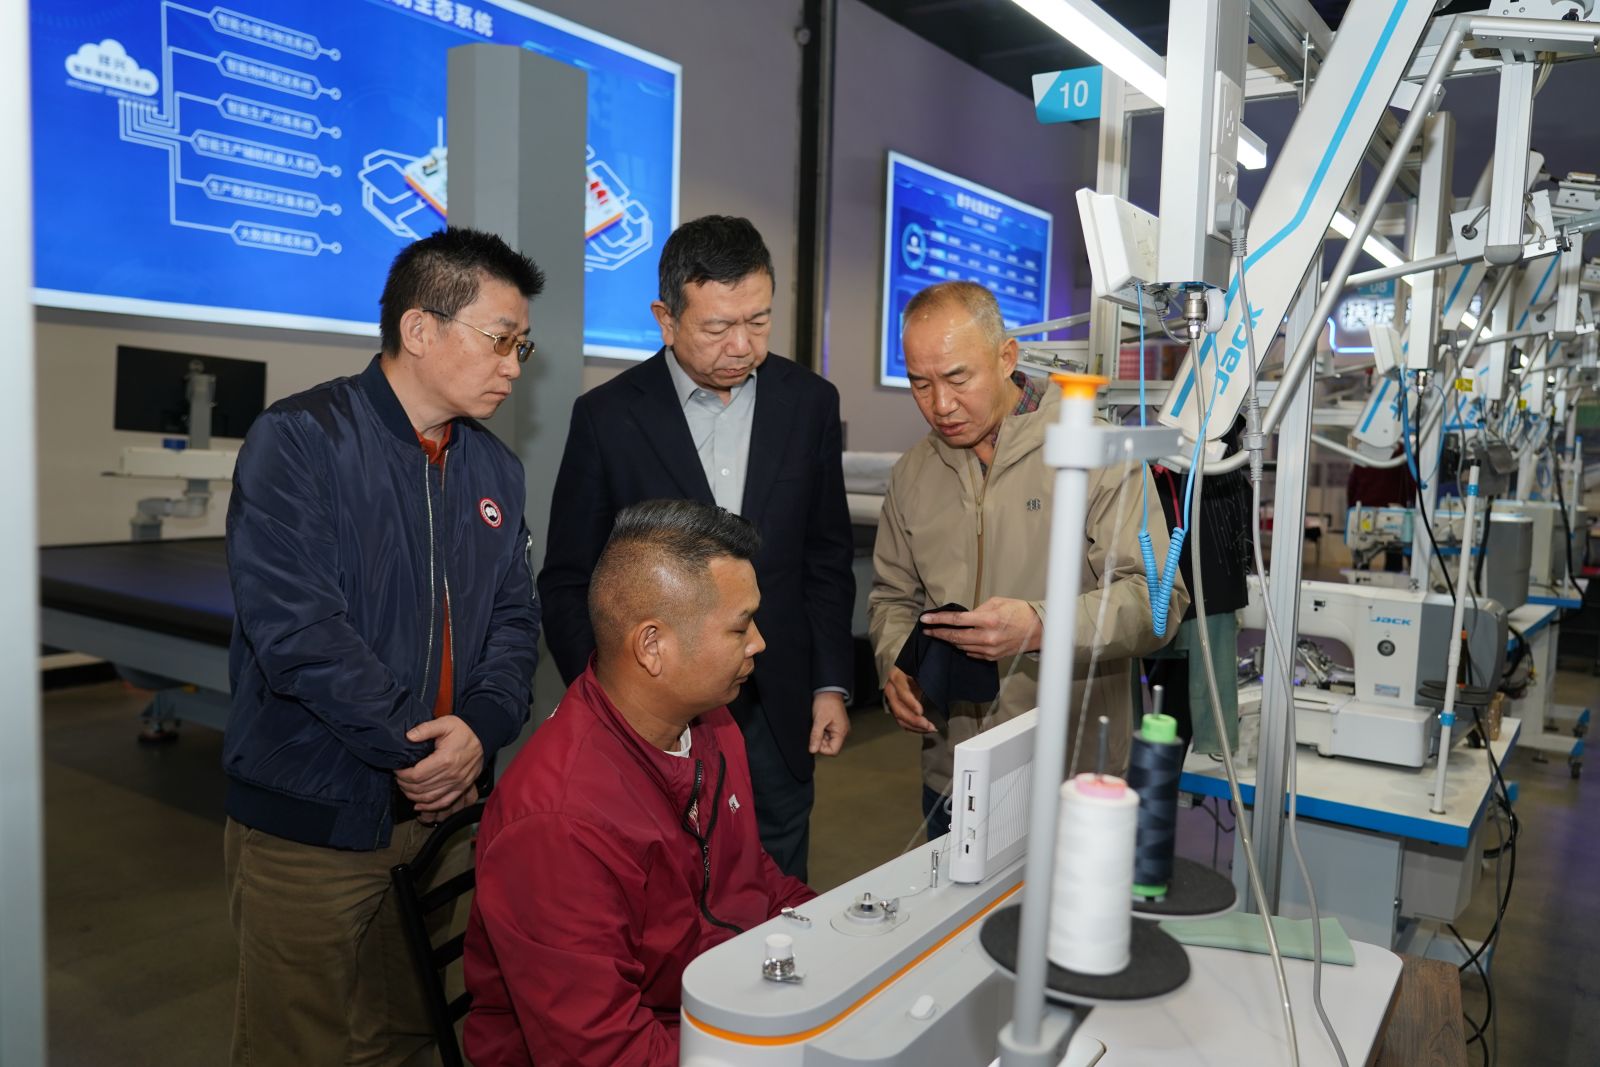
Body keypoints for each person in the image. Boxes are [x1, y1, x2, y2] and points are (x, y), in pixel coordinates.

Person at [222, 227, 544, 1066]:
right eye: (500, 339)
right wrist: (421, 748)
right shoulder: (300, 441)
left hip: (443, 813)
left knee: (411, 1034)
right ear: (419, 328)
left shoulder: (495, 472)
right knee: (297, 1046)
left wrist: (479, 729)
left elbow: (516, 621)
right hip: (315, 817)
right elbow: (298, 632)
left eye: (521, 345)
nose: (514, 365)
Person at [538, 215, 854, 880]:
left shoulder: (810, 404)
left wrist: (829, 683)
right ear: (666, 318)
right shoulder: (608, 417)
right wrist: (608, 700)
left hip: (777, 701)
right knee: (660, 880)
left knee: (776, 879)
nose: (742, 345)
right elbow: (568, 577)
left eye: (759, 321)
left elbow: (825, 557)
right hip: (654, 707)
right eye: (717, 327)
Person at [466, 500, 816, 1066]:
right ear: (652, 646)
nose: (758, 642)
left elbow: (750, 879)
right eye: (740, 625)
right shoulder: (560, 823)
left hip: (712, 1003)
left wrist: (835, 942)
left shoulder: (711, 723)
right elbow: (603, 1051)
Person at [869, 281, 1185, 838]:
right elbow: (893, 597)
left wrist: (1042, 626)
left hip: (1070, 773)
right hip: (951, 775)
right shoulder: (912, 473)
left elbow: (1156, 602)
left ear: (1007, 357)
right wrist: (896, 664)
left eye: (958, 378)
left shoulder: (1095, 454)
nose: (940, 405)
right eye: (921, 383)